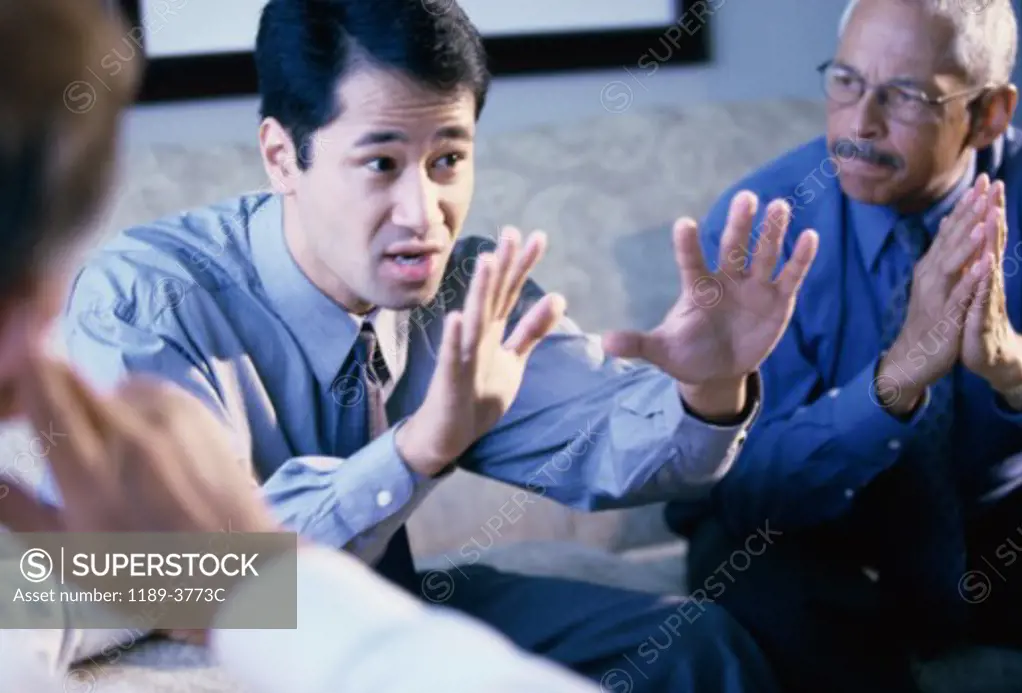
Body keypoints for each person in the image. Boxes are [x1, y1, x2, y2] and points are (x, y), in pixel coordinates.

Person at [57, 0, 820, 690]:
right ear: (282, 156)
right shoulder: (149, 300)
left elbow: (614, 453)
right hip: (221, 639)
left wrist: (710, 387)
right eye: (381, 163)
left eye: (448, 159)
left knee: (694, 646)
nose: (424, 213)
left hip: (385, 606)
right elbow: (187, 574)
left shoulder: (460, 287)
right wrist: (421, 444)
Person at [663, 1, 1022, 692]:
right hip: (798, 526)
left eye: (907, 96)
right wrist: (892, 384)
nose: (860, 124)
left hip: (995, 516)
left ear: (989, 114)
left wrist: (1014, 372)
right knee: (766, 580)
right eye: (847, 81)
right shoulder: (760, 224)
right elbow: (745, 485)